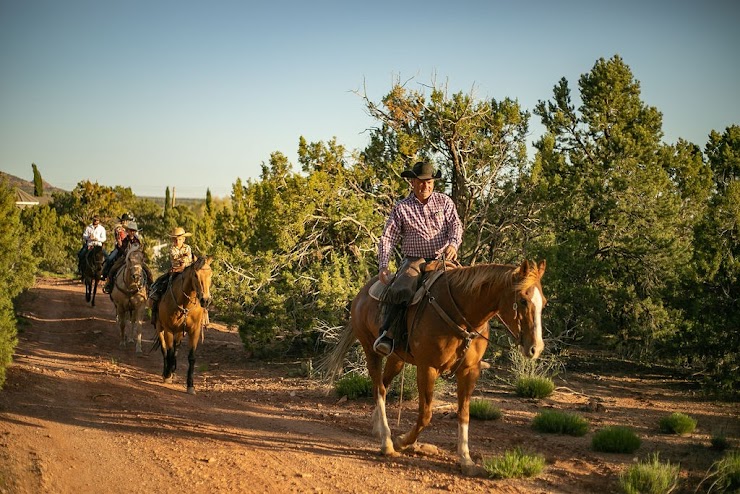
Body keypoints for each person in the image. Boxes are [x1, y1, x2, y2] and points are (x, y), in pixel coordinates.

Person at [372, 161, 463, 356]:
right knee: (401, 289)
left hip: (442, 258)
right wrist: (383, 265)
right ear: (412, 182)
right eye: (421, 182)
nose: (425, 186)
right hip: (415, 260)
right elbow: (388, 237)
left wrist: (453, 244)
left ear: (434, 182)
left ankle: (468, 339)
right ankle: (388, 335)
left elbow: (456, 225)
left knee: (466, 287)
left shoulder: (444, 202)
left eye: (429, 182)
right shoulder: (402, 208)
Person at [148, 226, 194, 325]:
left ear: (184, 239)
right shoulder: (172, 248)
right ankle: (155, 309)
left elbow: (187, 258)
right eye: (175, 239)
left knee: (198, 287)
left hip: (187, 271)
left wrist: (185, 261)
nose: (177, 241)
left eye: (180, 239)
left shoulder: (188, 248)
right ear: (173, 239)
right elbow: (178, 258)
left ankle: (203, 313)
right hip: (175, 271)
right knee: (160, 285)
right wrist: (184, 260)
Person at [103, 222, 153, 294]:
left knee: (147, 270)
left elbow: (140, 250)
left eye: (134, 231)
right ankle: (109, 285)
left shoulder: (137, 241)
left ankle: (150, 287)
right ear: (128, 231)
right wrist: (120, 246)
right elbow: (121, 250)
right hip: (125, 258)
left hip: (136, 260)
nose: (132, 232)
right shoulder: (125, 240)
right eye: (131, 230)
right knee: (113, 269)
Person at [103, 213, 134, 279]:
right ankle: (105, 273)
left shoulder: (130, 229)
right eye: (125, 221)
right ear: (122, 221)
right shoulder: (119, 228)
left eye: (127, 221)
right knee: (109, 259)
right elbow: (120, 240)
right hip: (120, 248)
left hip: (130, 248)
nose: (126, 222)